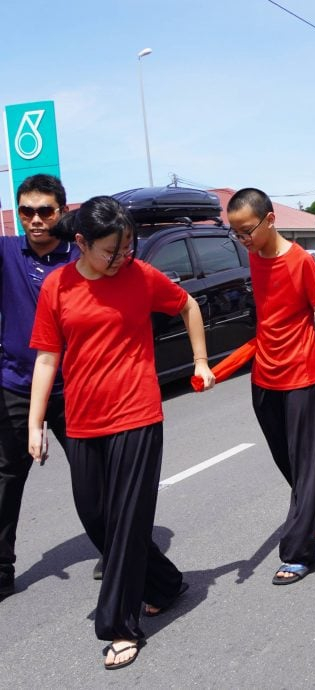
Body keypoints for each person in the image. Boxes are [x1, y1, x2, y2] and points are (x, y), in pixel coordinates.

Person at [28, 196, 214, 670]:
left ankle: (119, 624)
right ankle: (165, 584)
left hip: (136, 413)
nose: (121, 258)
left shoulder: (140, 276)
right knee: (96, 516)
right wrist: (35, 422)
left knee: (128, 521)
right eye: (111, 250)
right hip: (82, 418)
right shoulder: (57, 286)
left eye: (127, 247)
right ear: (81, 243)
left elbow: (188, 305)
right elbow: (47, 357)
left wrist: (200, 361)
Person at [226, 188, 315, 585]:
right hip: (264, 373)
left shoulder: (300, 262)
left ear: (270, 220)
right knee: (287, 459)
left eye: (246, 231)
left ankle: (297, 551)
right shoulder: (252, 256)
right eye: (235, 233)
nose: (242, 239)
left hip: (301, 373)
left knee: (304, 459)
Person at [0, 175, 81, 600]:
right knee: (6, 478)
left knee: (94, 476)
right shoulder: (7, 252)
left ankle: (115, 549)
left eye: (45, 211)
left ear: (62, 212)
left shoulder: (81, 256)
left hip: (74, 387)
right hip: (16, 384)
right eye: (26, 211)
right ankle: (1, 570)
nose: (35, 220)